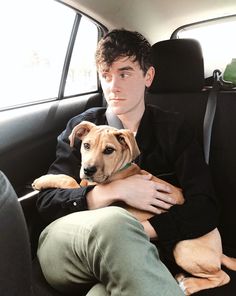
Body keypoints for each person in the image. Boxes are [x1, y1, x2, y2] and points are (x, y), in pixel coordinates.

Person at [36, 29, 218, 296]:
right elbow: (46, 204)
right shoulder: (82, 129)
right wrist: (113, 191)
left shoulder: (175, 129)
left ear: (148, 76)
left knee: (101, 291)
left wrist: (139, 231)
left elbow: (206, 207)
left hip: (138, 256)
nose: (113, 86)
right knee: (114, 222)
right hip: (71, 246)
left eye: (124, 73)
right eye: (106, 76)